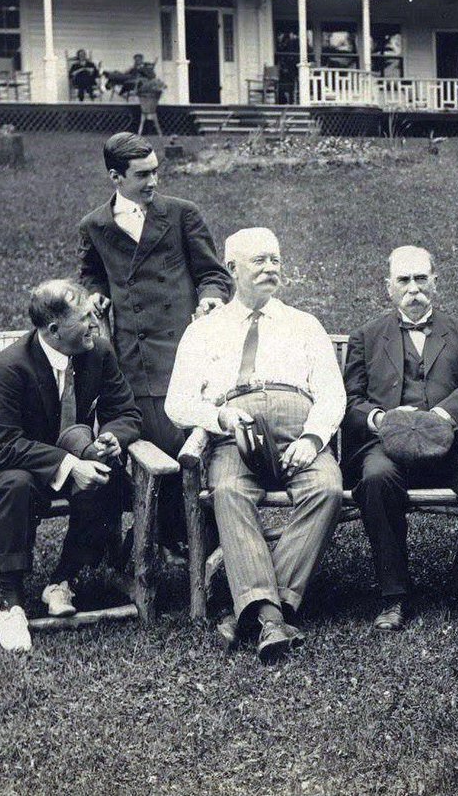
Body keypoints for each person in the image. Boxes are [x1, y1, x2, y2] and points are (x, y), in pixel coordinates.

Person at [166, 228, 344, 662]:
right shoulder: (204, 331)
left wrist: (313, 438)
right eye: (259, 261)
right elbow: (178, 402)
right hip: (235, 432)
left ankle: (258, 612)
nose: (270, 269)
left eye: (276, 261)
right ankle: (273, 614)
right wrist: (219, 417)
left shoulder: (305, 324)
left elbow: (332, 394)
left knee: (326, 489)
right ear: (231, 269)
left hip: (298, 426)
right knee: (228, 491)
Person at [0, 280, 142, 653]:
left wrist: (115, 435)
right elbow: (2, 445)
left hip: (54, 460)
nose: (95, 326)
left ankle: (63, 580)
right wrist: (68, 464)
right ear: (54, 330)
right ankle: (11, 603)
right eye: (84, 319)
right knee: (17, 483)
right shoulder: (9, 368)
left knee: (103, 472)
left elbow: (127, 412)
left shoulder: (97, 353)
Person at [78, 132, 232, 558]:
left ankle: (190, 538)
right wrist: (94, 292)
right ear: (116, 177)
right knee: (147, 446)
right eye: (142, 175)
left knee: (181, 446)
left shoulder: (182, 215)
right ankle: (166, 539)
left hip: (181, 352)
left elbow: (214, 273)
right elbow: (91, 272)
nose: (152, 182)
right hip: (133, 358)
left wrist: (210, 297)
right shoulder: (95, 226)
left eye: (155, 172)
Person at [343, 246, 458, 632]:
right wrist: (383, 420)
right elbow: (351, 399)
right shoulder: (366, 336)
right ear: (389, 288)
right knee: (375, 479)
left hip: (455, 442)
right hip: (388, 445)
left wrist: (442, 417)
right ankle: (394, 595)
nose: (413, 288)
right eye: (403, 280)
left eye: (421, 279)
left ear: (435, 282)